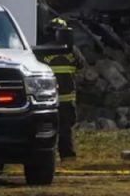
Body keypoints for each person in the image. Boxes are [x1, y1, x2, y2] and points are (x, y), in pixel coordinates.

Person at [36, 17, 87, 160]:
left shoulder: (42, 51)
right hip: (66, 97)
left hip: (47, 98)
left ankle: (44, 157)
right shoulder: (72, 51)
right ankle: (67, 156)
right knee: (65, 129)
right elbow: (82, 66)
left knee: (45, 128)